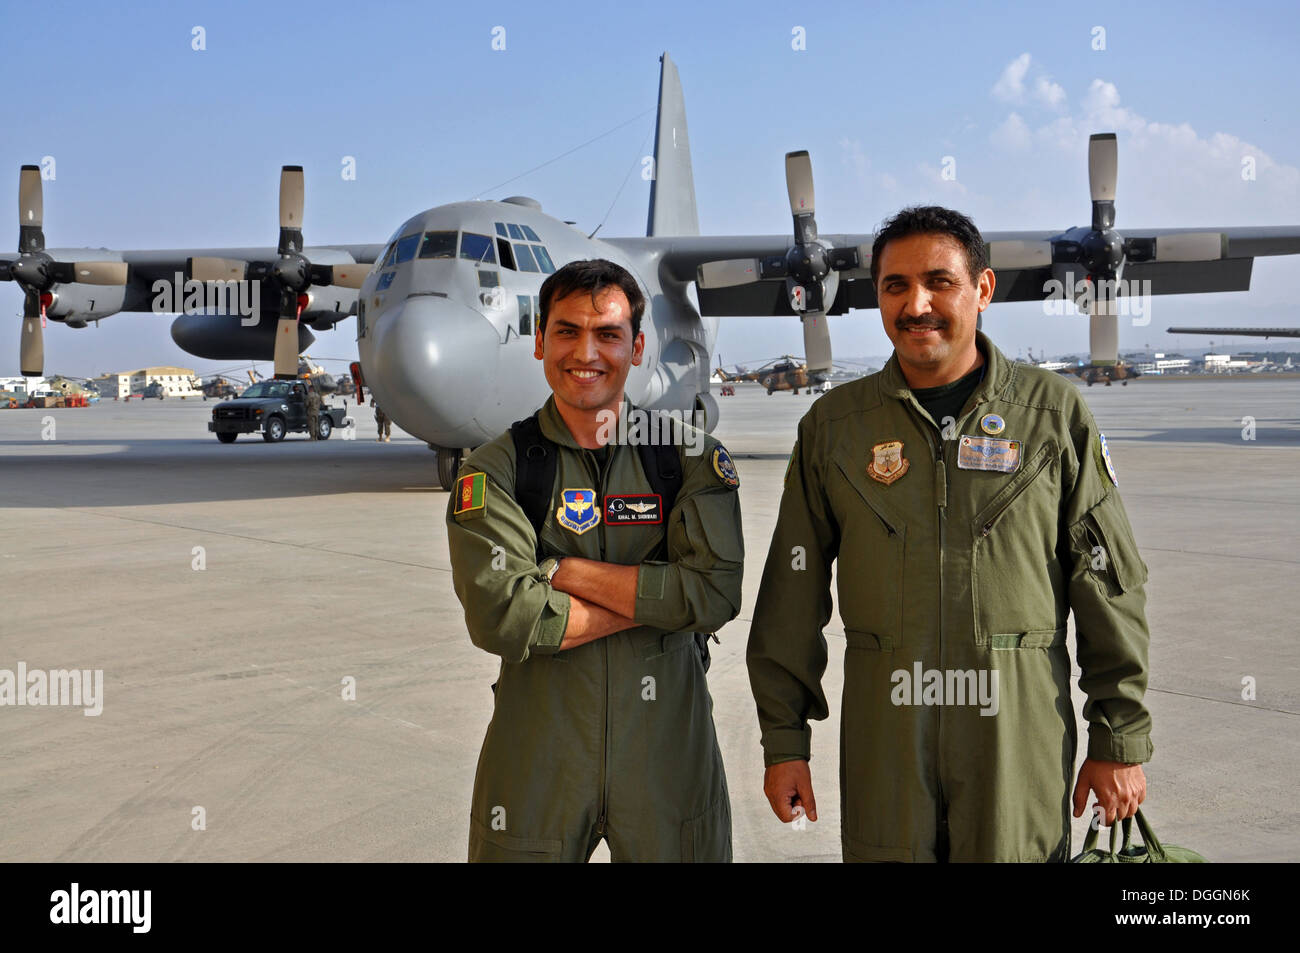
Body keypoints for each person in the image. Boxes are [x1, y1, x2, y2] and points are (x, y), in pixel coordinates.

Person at [747, 206, 1154, 862]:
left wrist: (1119, 739)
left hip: (1015, 740)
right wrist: (784, 741)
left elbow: (1108, 583)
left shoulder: (1052, 416)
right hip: (887, 743)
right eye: (895, 286)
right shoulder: (834, 428)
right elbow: (791, 594)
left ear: (983, 289)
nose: (917, 304)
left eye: (940, 281)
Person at [446, 258, 743, 862]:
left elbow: (714, 594)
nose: (587, 352)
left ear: (636, 348)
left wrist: (566, 572)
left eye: (608, 334)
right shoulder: (495, 471)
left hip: (669, 757)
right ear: (540, 341)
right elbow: (506, 617)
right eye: (567, 331)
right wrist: (663, 600)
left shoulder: (688, 459)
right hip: (538, 761)